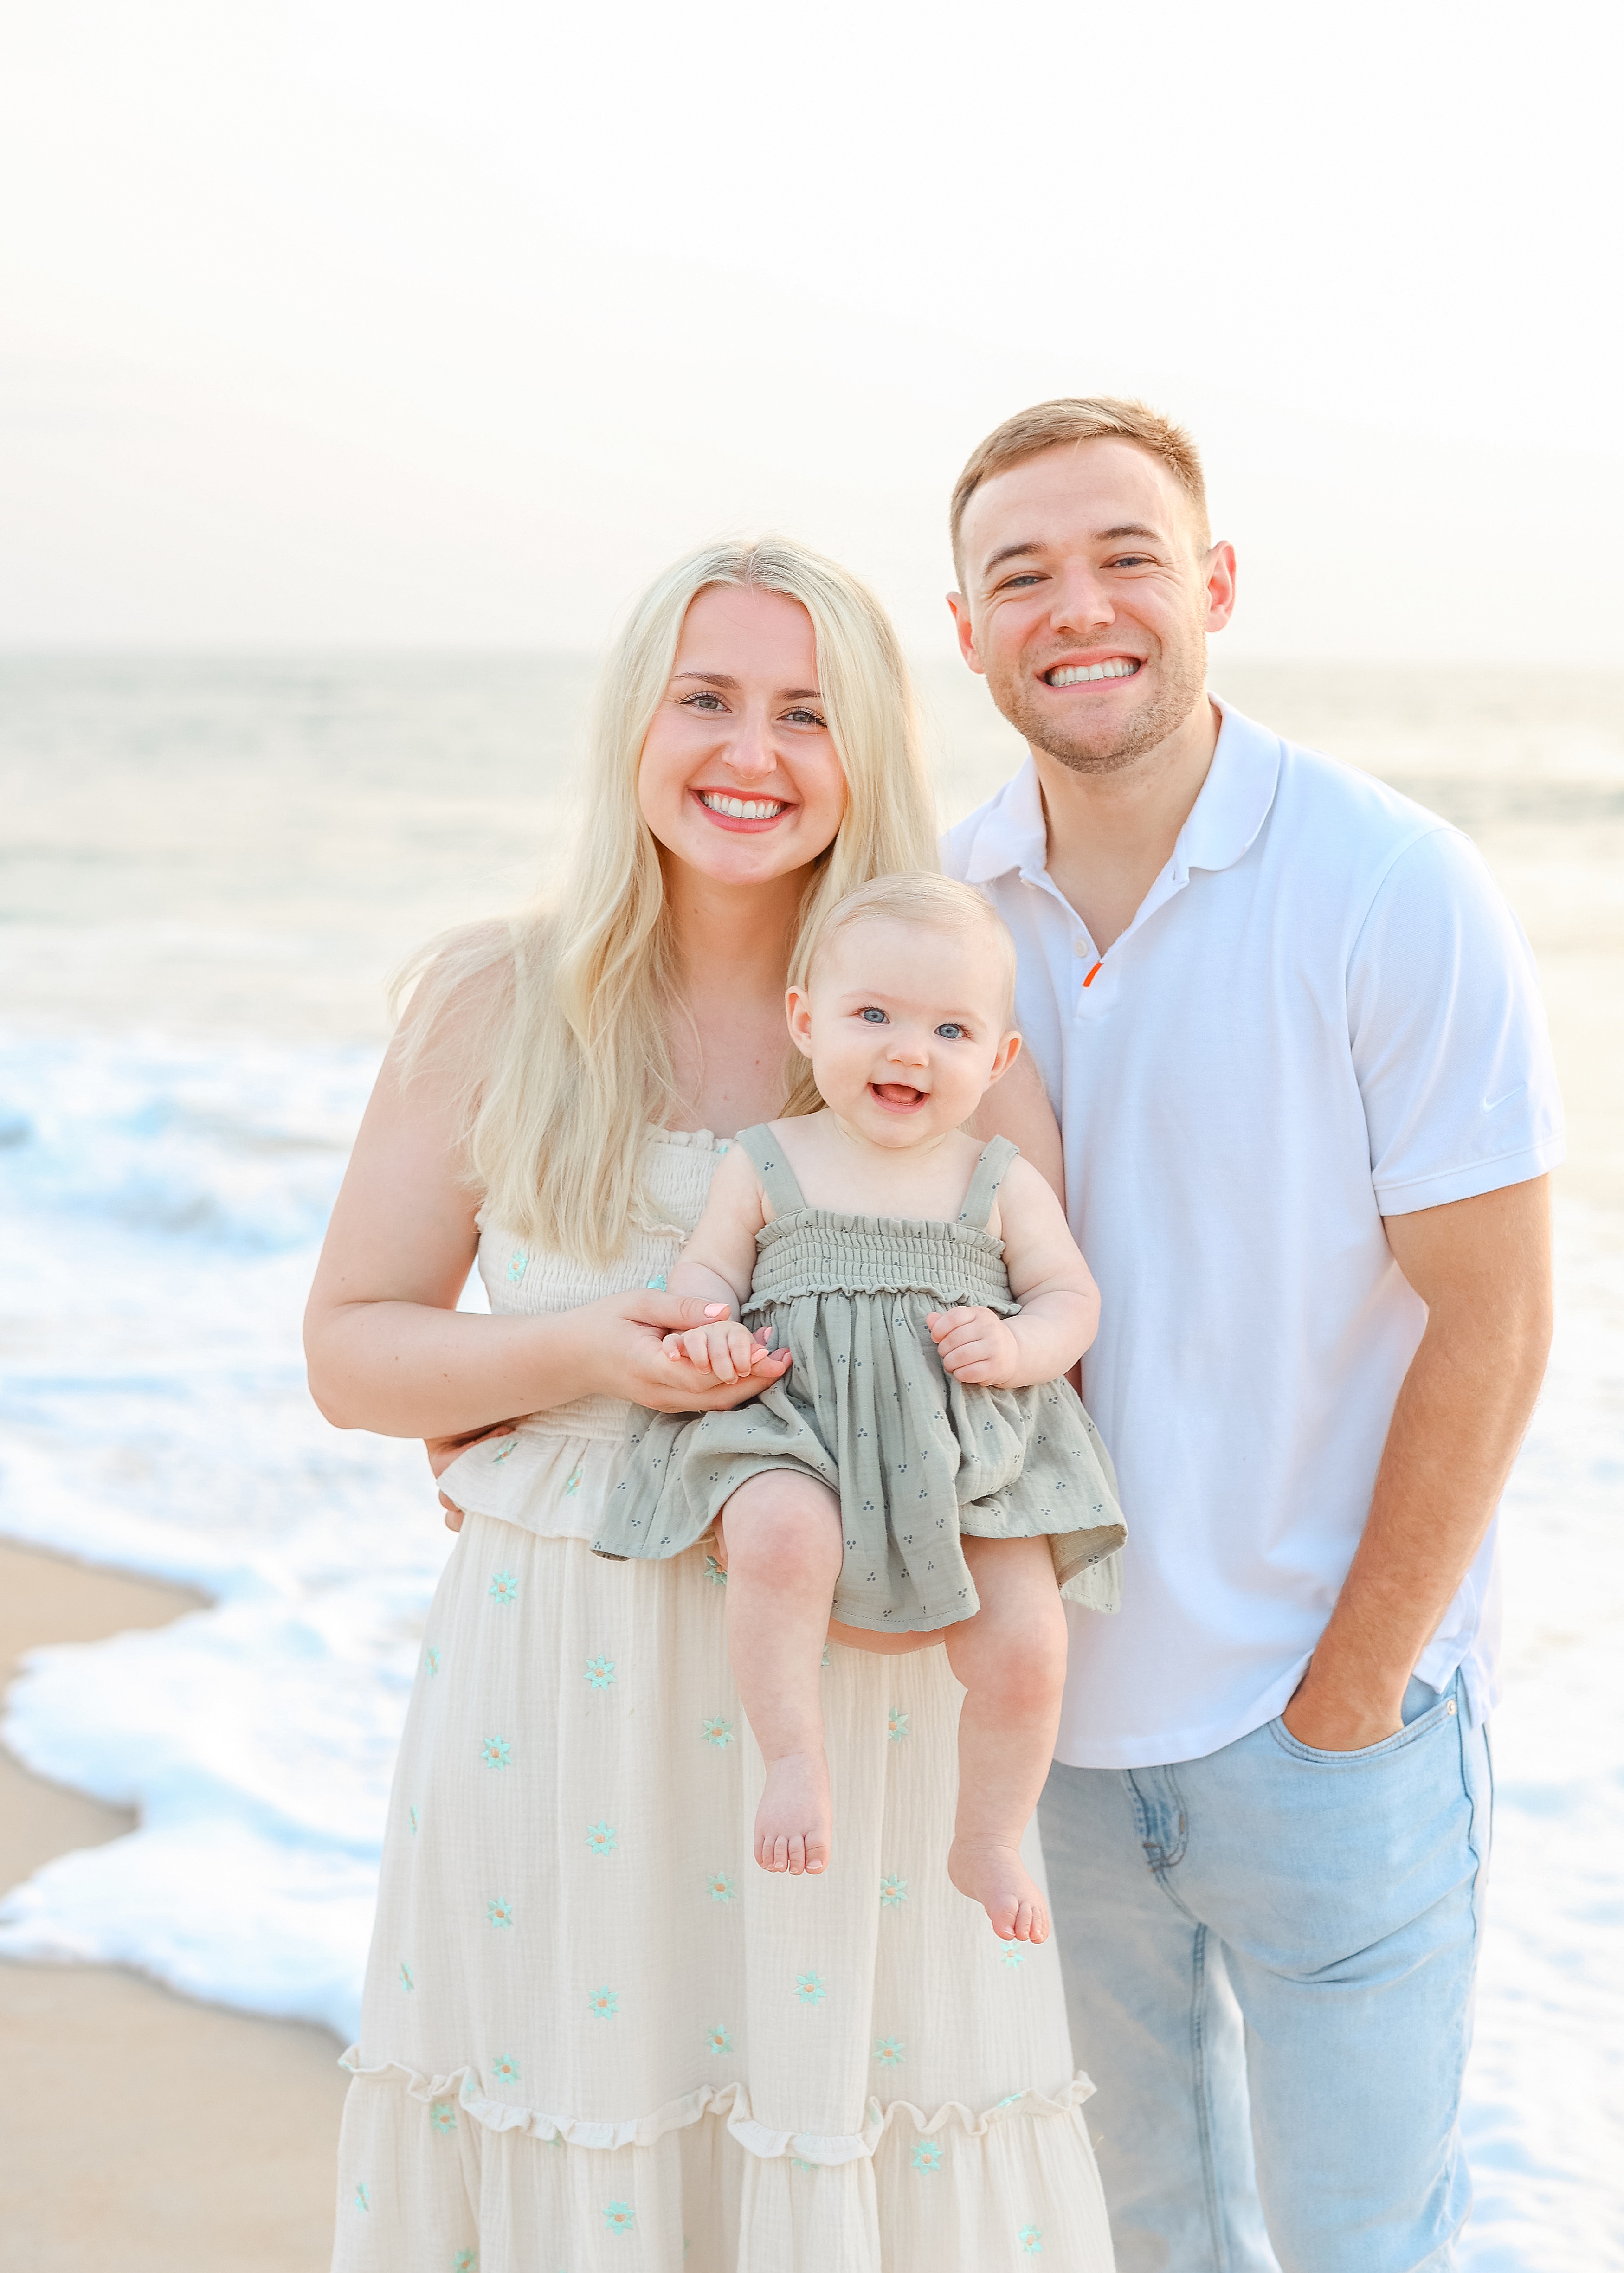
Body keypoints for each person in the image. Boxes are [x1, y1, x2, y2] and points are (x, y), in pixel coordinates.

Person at [306, 539, 1115, 2269]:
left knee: (839, 2145)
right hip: (560, 1683)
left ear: (868, 751)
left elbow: (1045, 1376)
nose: (752, 753)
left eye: (806, 714)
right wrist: (586, 1357)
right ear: (636, 726)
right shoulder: (496, 1002)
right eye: (708, 701)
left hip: (862, 1707)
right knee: (585, 2123)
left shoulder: (941, 1023)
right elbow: (355, 1353)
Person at [941, 396, 1562, 2273]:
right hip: (1043, 1738)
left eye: (1124, 555)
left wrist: (1348, 1696)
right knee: (1138, 2237)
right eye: (1019, 573)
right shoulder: (938, 911)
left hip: (1322, 1737)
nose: (1079, 607)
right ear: (963, 629)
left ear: (1208, 584)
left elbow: (1498, 1317)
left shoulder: (1386, 884)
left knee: (1364, 2243)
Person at [596, 872, 1125, 1935]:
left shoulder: (998, 1177)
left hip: (965, 1441)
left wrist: (1020, 1343)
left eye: (950, 1027)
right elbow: (706, 1266)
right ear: (806, 1021)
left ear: (998, 1059)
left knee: (1028, 1643)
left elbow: (1074, 1295)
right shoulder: (768, 1159)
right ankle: (792, 1759)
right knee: (778, 1533)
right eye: (872, 1015)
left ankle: (987, 1833)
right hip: (798, 1424)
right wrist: (705, 1320)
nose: (907, 1049)